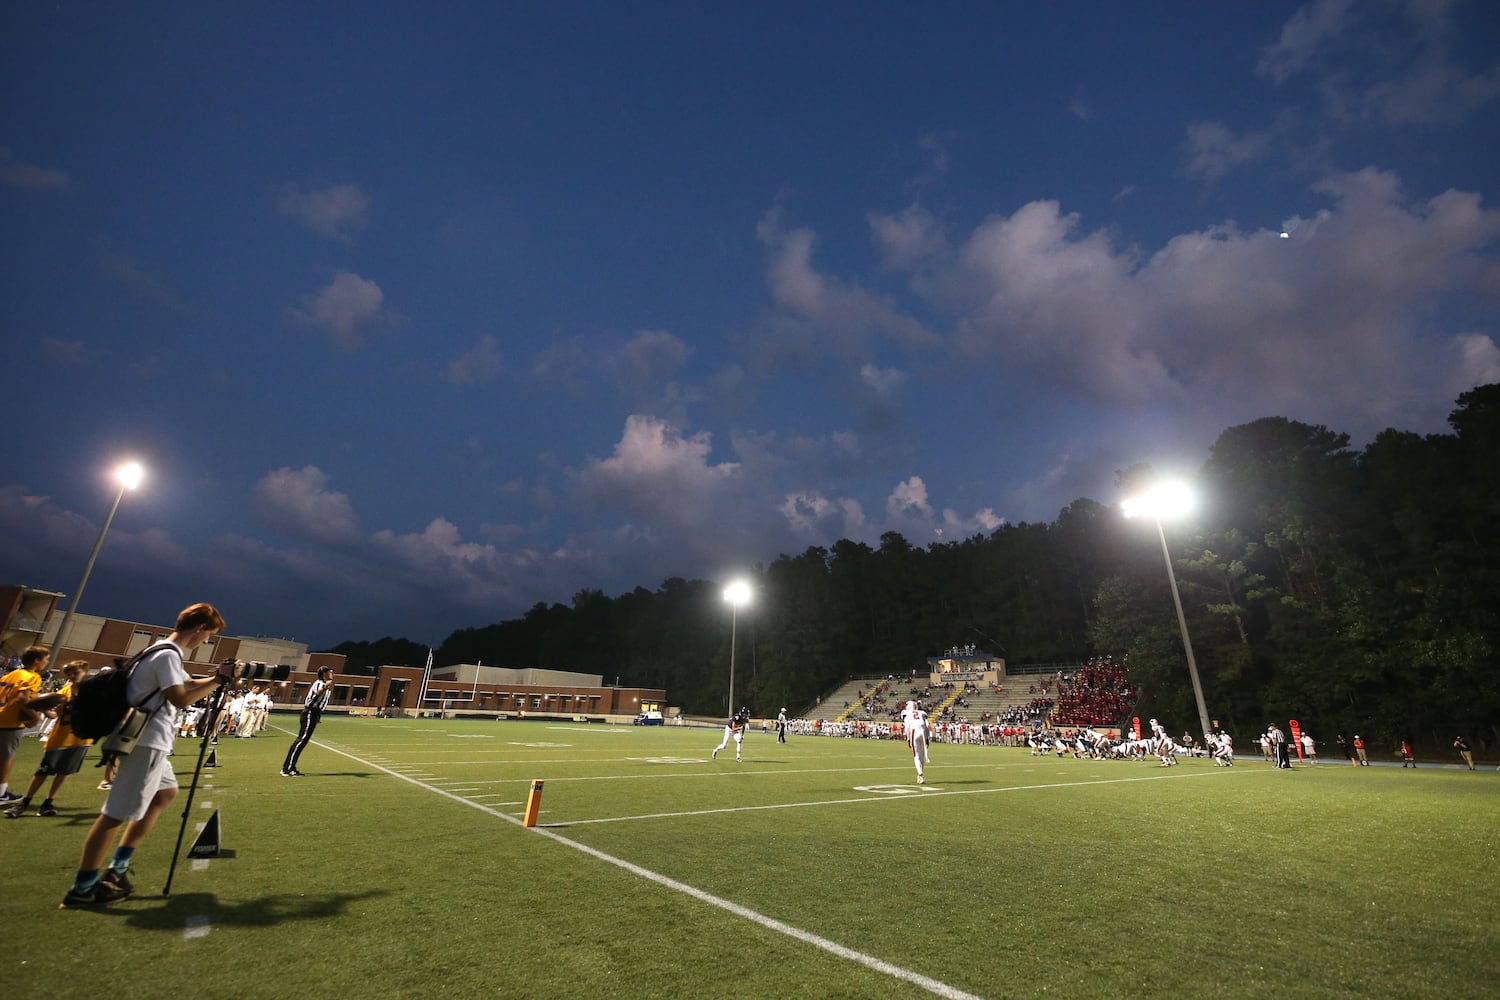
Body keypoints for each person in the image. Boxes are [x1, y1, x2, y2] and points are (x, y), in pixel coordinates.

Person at [61, 602, 231, 908]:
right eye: (210, 635)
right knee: (114, 815)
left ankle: (119, 867)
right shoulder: (168, 654)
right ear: (199, 628)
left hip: (149, 741)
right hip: (147, 742)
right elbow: (179, 697)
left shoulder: (160, 650)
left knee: (165, 793)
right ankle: (82, 888)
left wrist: (219, 676)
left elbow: (188, 683)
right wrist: (217, 681)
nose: (207, 641)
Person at [5, 660, 91, 818]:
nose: (71, 676)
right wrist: (42, 707)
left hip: (81, 739)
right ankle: (24, 803)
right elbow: (54, 715)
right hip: (60, 738)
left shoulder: (93, 693)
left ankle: (48, 802)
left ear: (85, 671)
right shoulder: (64, 692)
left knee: (64, 772)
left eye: (75, 673)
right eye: (69, 674)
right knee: (43, 772)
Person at [0, 645, 51, 804]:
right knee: (6, 757)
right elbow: (23, 698)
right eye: (46, 659)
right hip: (9, 721)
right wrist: (35, 718)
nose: (47, 662)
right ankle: (1, 793)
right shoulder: (32, 676)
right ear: (37, 660)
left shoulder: (11, 675)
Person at [281, 666, 334, 776]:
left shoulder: (325, 685)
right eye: (329, 671)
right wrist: (325, 686)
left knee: (303, 740)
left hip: (314, 713)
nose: (332, 672)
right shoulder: (320, 683)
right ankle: (288, 768)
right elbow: (317, 693)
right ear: (324, 674)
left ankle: (290, 766)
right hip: (310, 712)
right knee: (302, 740)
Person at [901, 699, 931, 784]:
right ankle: (920, 774)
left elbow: (907, 727)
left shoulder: (906, 713)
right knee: (922, 755)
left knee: (916, 755)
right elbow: (927, 725)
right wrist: (927, 738)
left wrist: (908, 739)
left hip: (915, 732)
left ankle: (920, 774)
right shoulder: (922, 712)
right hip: (923, 732)